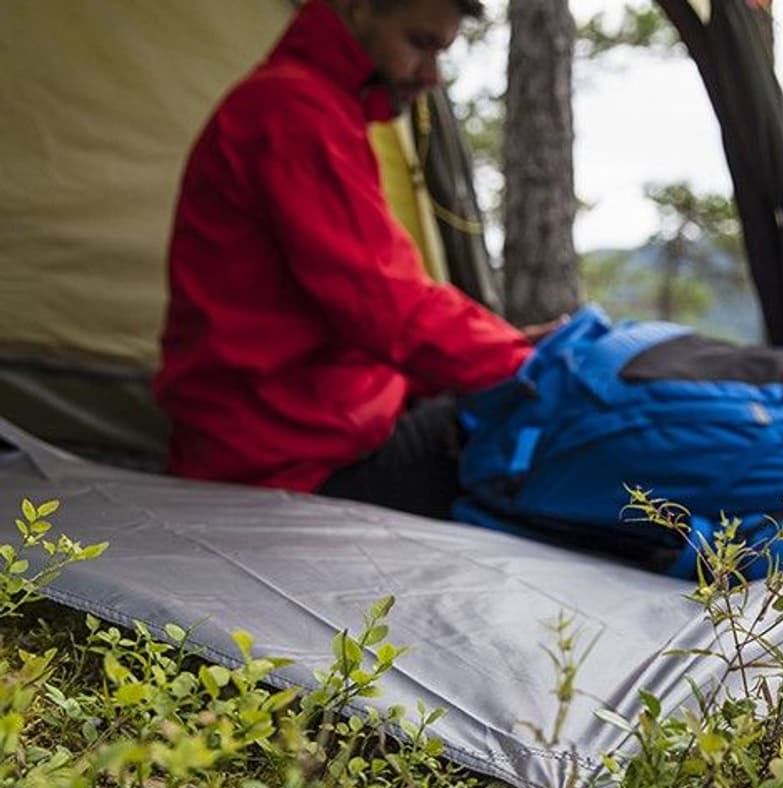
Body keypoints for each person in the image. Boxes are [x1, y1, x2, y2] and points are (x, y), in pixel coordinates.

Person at [154, 0, 560, 519]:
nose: (432, 76)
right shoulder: (293, 112)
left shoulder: (313, 104)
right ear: (358, 9)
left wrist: (504, 347)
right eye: (419, 44)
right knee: (523, 449)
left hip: (285, 427)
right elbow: (385, 306)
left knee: (490, 425)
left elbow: (366, 305)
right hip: (281, 461)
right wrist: (528, 365)